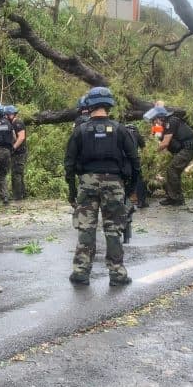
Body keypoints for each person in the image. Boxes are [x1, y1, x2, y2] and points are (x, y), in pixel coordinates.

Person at [63, 86, 141, 286]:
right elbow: (134, 161)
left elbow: (69, 163)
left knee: (86, 229)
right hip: (114, 184)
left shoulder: (80, 131)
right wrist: (130, 189)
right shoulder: (120, 129)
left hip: (87, 183)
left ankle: (81, 272)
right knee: (114, 229)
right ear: (109, 105)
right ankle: (118, 274)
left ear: (89, 105)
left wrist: (72, 190)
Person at [148, 105, 193, 206]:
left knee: (172, 169)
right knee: (173, 170)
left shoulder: (171, 122)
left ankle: (176, 198)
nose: (154, 123)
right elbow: (156, 139)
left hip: (188, 148)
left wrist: (152, 152)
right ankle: (174, 197)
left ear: (160, 118)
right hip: (183, 149)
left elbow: (165, 143)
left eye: (154, 120)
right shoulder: (164, 125)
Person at [5, 104, 28, 201]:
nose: (5, 117)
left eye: (6, 115)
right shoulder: (12, 124)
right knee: (17, 173)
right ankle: (22, 193)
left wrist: (13, 148)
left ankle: (17, 196)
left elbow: (21, 137)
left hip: (20, 152)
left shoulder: (17, 123)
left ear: (11, 115)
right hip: (16, 152)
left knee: (17, 174)